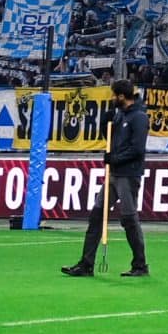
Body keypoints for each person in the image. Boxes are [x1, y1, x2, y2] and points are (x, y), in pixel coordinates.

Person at [64, 80, 150, 279]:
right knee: (96, 215)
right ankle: (86, 264)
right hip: (113, 173)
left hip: (128, 175)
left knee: (128, 218)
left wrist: (115, 158)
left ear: (121, 96)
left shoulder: (139, 117)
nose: (111, 99)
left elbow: (137, 149)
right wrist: (105, 123)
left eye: (113, 95)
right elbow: (110, 138)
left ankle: (140, 264)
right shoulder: (120, 115)